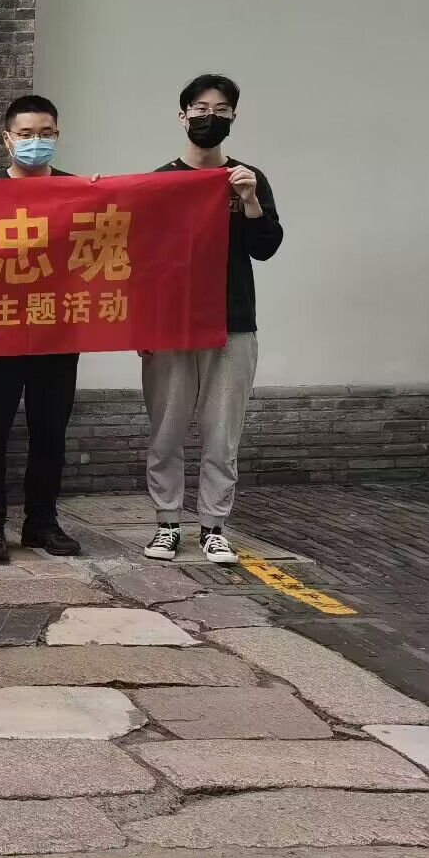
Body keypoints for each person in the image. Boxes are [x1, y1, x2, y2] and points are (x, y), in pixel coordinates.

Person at [142, 74, 282, 565]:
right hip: (172, 326)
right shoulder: (160, 181)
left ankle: (214, 526)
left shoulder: (248, 178)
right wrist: (144, 325)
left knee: (222, 434)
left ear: (233, 118)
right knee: (166, 430)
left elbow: (266, 248)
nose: (209, 117)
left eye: (220, 110)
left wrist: (250, 201)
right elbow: (141, 257)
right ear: (183, 116)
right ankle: (167, 523)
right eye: (200, 109)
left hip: (232, 323)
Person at [0, 96, 83, 563]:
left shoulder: (79, 191)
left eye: (46, 134)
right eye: (26, 134)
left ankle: (42, 522)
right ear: (7, 139)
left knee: (50, 432)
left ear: (58, 135)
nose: (36, 142)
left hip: (58, 330)